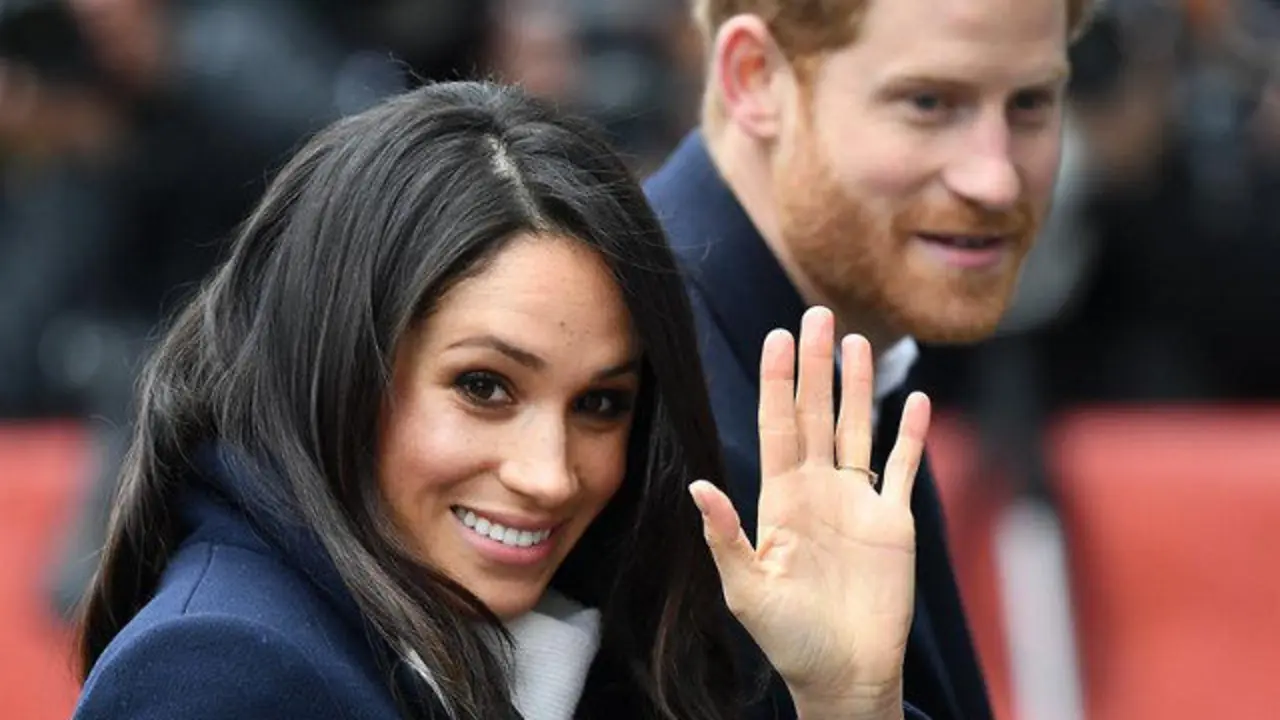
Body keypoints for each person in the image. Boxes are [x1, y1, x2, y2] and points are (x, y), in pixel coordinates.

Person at [73, 81, 933, 720]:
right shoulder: (220, 676)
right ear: (331, 370)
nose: (551, 475)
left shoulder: (626, 645)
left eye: (601, 404)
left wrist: (851, 700)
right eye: (484, 388)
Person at [644, 0, 1097, 718]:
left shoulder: (844, 349)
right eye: (928, 102)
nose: (997, 180)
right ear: (755, 79)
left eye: (1032, 103)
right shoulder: (651, 419)